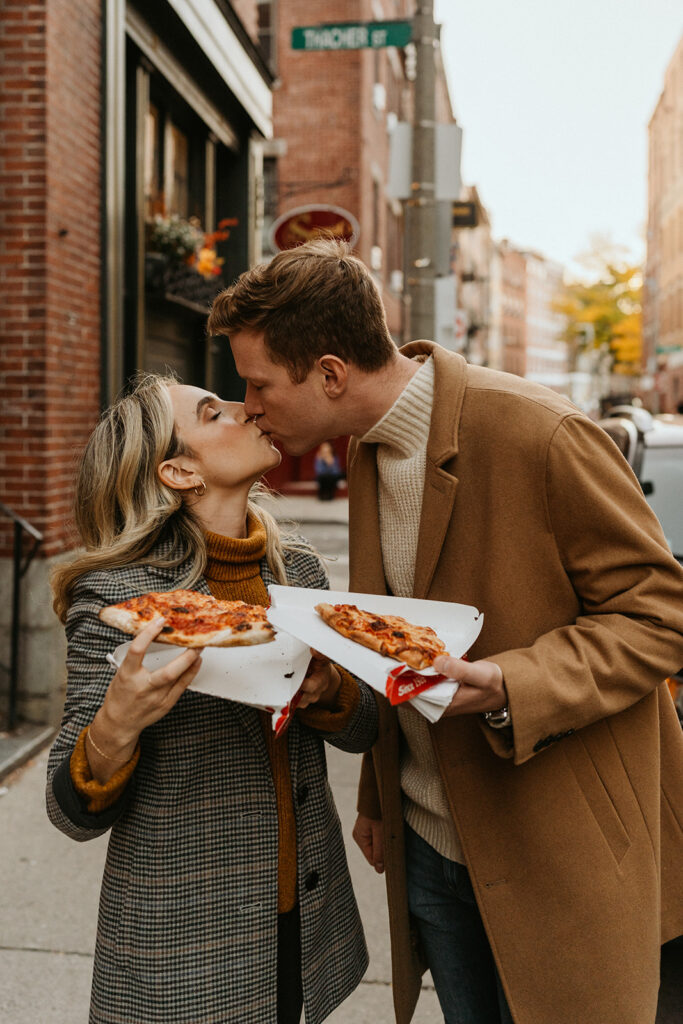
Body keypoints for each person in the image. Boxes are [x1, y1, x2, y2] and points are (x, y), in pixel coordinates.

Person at [207, 238, 683, 1024]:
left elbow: (660, 612)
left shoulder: (543, 432)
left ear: (329, 373)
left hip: (556, 842)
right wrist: (377, 795)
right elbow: (390, 633)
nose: (249, 406)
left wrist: (509, 685)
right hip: (429, 840)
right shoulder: (365, 451)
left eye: (257, 384)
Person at [46, 373, 378, 1024]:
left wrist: (328, 690)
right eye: (213, 411)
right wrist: (116, 726)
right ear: (179, 471)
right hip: (186, 943)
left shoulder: (299, 572)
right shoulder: (121, 602)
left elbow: (363, 729)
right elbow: (70, 813)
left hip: (306, 918)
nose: (246, 407)